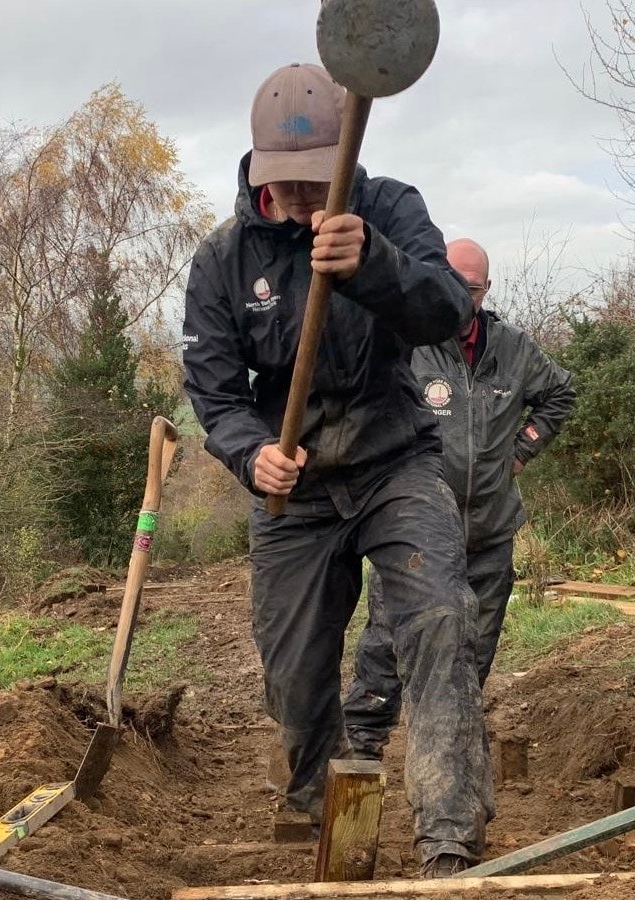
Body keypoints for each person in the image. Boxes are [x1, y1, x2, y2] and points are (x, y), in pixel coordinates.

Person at [182, 63, 493, 877]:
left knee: (439, 623)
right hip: (299, 487)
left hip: (396, 461)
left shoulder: (389, 208)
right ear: (258, 177)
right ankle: (318, 811)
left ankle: (448, 839)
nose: (302, 203)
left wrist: (374, 262)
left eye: (317, 184)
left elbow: (449, 312)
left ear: (344, 164)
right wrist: (252, 455)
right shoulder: (222, 261)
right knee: (294, 670)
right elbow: (213, 390)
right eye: (285, 188)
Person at [343, 237, 575, 760]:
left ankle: (453, 752)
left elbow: (560, 393)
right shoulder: (407, 341)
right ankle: (361, 744)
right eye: (446, 280)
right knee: (387, 639)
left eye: (468, 286)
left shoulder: (515, 349)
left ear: (485, 289)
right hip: (417, 531)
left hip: (490, 530)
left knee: (474, 648)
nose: (456, 294)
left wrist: (522, 450)